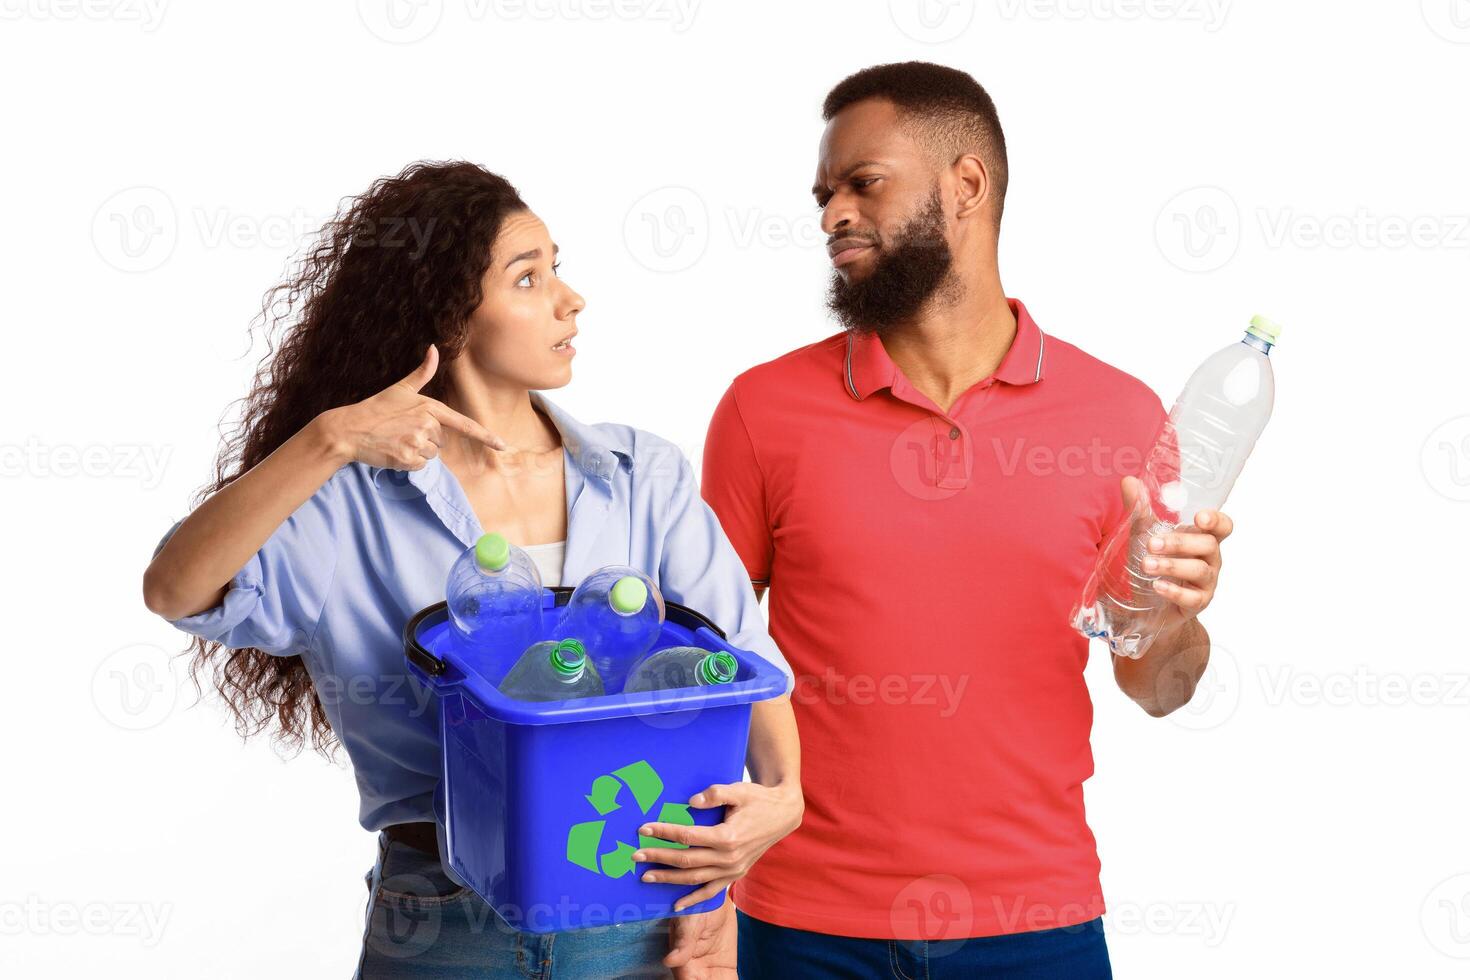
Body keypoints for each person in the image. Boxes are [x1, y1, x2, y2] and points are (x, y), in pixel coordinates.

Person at [142, 161, 803, 978]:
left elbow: (742, 658)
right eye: (528, 279)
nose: (570, 299)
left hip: (640, 903)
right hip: (443, 919)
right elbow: (176, 589)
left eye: (557, 267)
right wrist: (327, 440)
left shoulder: (640, 476)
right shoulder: (349, 503)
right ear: (449, 317)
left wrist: (783, 797)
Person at [700, 62, 1238, 978]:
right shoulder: (761, 411)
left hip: (1038, 923)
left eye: (863, 183)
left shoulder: (1119, 417)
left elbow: (1157, 688)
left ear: (967, 184)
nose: (832, 213)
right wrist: (700, 900)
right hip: (803, 923)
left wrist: (1176, 619)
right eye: (825, 193)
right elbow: (698, 667)